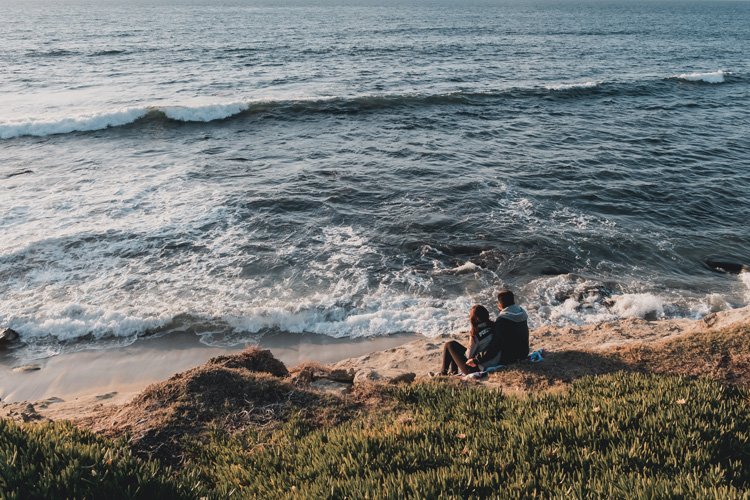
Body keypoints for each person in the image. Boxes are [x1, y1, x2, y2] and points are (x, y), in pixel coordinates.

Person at [437, 304, 502, 376]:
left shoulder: (476, 334)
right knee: (454, 347)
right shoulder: (494, 326)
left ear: (476, 318)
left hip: (478, 368)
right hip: (495, 362)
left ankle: (443, 373)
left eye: (470, 316)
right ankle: (453, 373)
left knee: (449, 345)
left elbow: (468, 356)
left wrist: (470, 342)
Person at [494, 289, 529, 364]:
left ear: (500, 303)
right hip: (524, 353)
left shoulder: (502, 319)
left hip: (510, 358)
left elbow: (496, 344)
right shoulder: (522, 312)